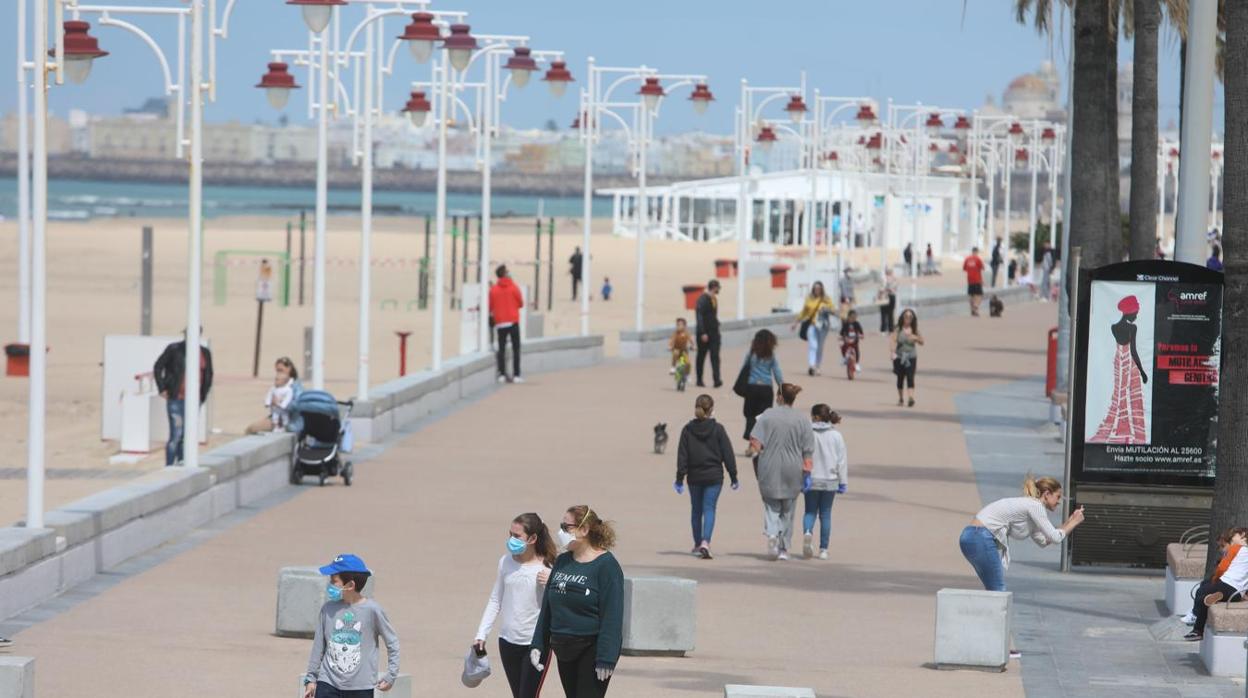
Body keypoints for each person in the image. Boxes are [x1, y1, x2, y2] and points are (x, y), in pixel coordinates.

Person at [530, 506, 624, 698]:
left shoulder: (607, 566)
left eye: (567, 527)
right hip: (563, 647)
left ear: (584, 530)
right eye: (561, 526)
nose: (561, 532)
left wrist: (606, 657)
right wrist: (538, 643)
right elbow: (548, 606)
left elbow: (612, 616)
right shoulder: (563, 561)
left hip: (591, 648)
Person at [474, 514, 558, 698]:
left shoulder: (549, 567)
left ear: (533, 538)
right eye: (510, 534)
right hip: (507, 642)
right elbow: (496, 599)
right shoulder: (505, 562)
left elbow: (559, 606)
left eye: (517, 536)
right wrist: (481, 634)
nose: (512, 540)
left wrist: (552, 583)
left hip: (535, 645)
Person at [959, 476, 1085, 596]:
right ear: (1047, 494)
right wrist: (1075, 522)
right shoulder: (1035, 505)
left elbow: (1044, 541)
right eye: (1058, 497)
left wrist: (1070, 521)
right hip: (980, 537)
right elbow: (1055, 538)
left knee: (993, 589)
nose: (1059, 502)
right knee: (997, 590)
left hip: (971, 536)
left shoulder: (1031, 508)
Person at [303, 553, 400, 698]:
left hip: (361, 688)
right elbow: (319, 645)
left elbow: (392, 643)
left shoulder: (372, 611)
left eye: (333, 581)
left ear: (350, 585)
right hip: (327, 684)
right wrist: (311, 678)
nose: (329, 584)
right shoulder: (328, 609)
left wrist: (391, 675)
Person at [749, 383, 814, 561]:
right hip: (793, 468)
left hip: (769, 465)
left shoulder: (767, 415)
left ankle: (771, 535)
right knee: (788, 509)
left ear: (779, 397)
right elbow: (808, 449)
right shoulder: (802, 420)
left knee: (771, 506)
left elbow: (755, 441)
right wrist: (807, 472)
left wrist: (760, 451)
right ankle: (784, 548)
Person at [674, 394, 739, 560]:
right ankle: (705, 542)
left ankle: (697, 544)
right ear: (711, 410)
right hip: (714, 476)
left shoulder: (687, 430)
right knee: (709, 508)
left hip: (694, 476)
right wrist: (733, 476)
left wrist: (680, 478)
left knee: (696, 510)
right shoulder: (718, 429)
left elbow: (682, 456)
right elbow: (728, 454)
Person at [1089, 295, 1149, 444]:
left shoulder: (1114, 327)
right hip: (1128, 362)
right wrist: (1142, 371)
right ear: (1129, 312)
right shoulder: (1132, 328)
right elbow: (1133, 351)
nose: (1136, 316)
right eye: (1135, 312)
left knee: (1119, 393)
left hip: (1118, 360)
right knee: (1130, 394)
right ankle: (1128, 430)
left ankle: (1121, 427)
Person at [153, 328, 214, 466]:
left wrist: (203, 395)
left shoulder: (204, 353)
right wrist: (162, 388)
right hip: (176, 398)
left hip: (194, 400)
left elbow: (209, 375)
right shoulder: (175, 349)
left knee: (187, 435)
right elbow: (158, 366)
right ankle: (169, 466)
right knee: (176, 434)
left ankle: (182, 462)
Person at [1185, 528, 1248, 641]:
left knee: (1201, 591)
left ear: (1243, 535)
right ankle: (1197, 631)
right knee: (1205, 599)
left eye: (1233, 536)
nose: (1232, 539)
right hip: (1236, 593)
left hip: (1226, 583)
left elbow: (1222, 567)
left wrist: (1215, 578)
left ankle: (1195, 619)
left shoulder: (1236, 549)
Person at [802, 404, 847, 560]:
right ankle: (823, 549)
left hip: (812, 478)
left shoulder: (808, 433)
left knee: (809, 511)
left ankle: (808, 532)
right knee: (826, 514)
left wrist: (803, 475)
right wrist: (843, 481)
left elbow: (803, 454)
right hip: (830, 479)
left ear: (814, 417)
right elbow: (841, 461)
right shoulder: (836, 435)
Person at [739, 329, 783, 450]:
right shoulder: (771, 355)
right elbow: (777, 372)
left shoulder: (752, 353)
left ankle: (751, 444)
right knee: (763, 417)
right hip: (766, 389)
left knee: (750, 415)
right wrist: (781, 387)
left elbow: (744, 368)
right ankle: (757, 444)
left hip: (752, 387)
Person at [246, 356, 301, 434]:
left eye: (281, 370)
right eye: (277, 371)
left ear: (289, 369)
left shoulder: (296, 386)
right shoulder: (279, 384)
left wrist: (280, 403)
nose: (279, 373)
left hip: (289, 420)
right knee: (251, 429)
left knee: (253, 429)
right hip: (275, 416)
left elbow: (298, 405)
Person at [490, 265, 525, 384]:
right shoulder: (513, 287)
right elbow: (521, 303)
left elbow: (490, 306)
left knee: (501, 348)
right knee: (516, 348)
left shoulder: (493, 289)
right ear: (505, 274)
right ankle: (516, 374)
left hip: (500, 322)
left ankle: (502, 374)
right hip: (513, 321)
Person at [791, 281, 835, 376]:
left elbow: (833, 310)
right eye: (815, 288)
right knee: (813, 345)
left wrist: (827, 309)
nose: (817, 290)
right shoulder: (809, 299)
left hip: (823, 326)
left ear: (822, 289)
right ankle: (811, 366)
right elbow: (803, 312)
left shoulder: (826, 299)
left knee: (820, 347)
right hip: (812, 324)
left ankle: (817, 366)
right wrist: (796, 322)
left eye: (819, 288)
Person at [889, 309, 924, 407]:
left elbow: (922, 342)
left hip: (911, 357)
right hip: (899, 357)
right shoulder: (898, 329)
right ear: (902, 318)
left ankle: (911, 398)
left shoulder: (915, 329)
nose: (908, 318)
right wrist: (892, 352)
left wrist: (916, 338)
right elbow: (893, 340)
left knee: (910, 377)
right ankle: (901, 399)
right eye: (906, 316)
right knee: (900, 378)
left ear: (913, 319)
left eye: (910, 317)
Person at [695, 279, 722, 388]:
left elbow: (713, 316)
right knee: (701, 356)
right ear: (714, 287)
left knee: (715, 356)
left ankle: (717, 380)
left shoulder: (714, 299)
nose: (719, 290)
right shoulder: (702, 299)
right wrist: (702, 332)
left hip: (714, 332)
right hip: (704, 333)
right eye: (718, 287)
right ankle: (699, 379)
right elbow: (699, 316)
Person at [962, 247, 986, 317]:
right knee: (979, 294)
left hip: (969, 280)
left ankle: (972, 310)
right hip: (977, 279)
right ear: (976, 252)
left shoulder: (967, 259)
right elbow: (983, 268)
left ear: (972, 251)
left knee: (971, 295)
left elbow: (964, 269)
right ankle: (976, 306)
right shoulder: (978, 259)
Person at [877, 269, 897, 334]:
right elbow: (880, 289)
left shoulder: (893, 279)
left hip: (890, 297)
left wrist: (887, 289)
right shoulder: (884, 279)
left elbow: (894, 288)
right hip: (885, 297)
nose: (889, 274)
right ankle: (885, 329)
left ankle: (889, 329)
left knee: (889, 314)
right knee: (885, 314)